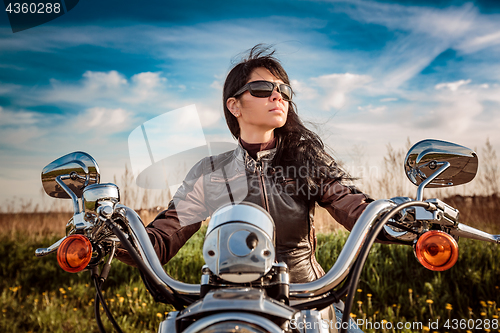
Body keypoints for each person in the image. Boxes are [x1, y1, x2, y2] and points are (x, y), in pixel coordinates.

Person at [117, 45, 371, 332]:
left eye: (283, 91)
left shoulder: (306, 160)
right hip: (231, 305)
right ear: (234, 105)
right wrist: (115, 239)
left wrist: (397, 220)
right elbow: (163, 237)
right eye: (262, 88)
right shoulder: (210, 172)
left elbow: (353, 207)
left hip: (308, 300)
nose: (278, 96)